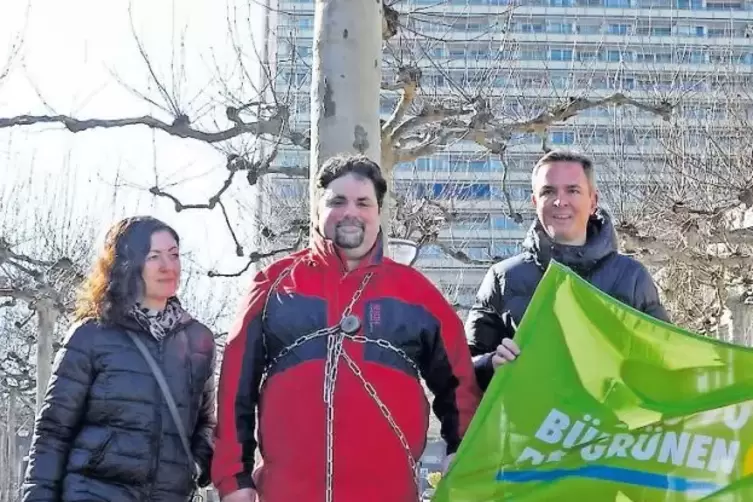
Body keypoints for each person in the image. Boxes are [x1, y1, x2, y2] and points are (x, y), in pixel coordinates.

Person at [212, 154, 481, 502]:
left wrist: (461, 449)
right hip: (287, 492)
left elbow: (458, 382)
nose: (350, 211)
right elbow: (236, 384)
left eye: (362, 202)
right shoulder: (273, 283)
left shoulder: (418, 293)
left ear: (378, 211)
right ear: (318, 208)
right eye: (337, 201)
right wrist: (233, 477)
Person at [22, 216, 216, 502]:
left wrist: (196, 465)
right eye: (154, 257)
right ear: (128, 264)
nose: (168, 266)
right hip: (93, 492)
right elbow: (53, 431)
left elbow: (207, 423)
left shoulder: (199, 340)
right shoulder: (91, 335)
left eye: (174, 255)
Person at [466, 150, 670, 391]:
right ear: (534, 201)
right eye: (548, 191)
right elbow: (460, 370)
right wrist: (490, 364)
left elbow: (664, 362)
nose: (560, 201)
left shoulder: (632, 278)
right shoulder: (503, 278)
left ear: (593, 201)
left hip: (612, 426)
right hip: (529, 427)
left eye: (572, 190)